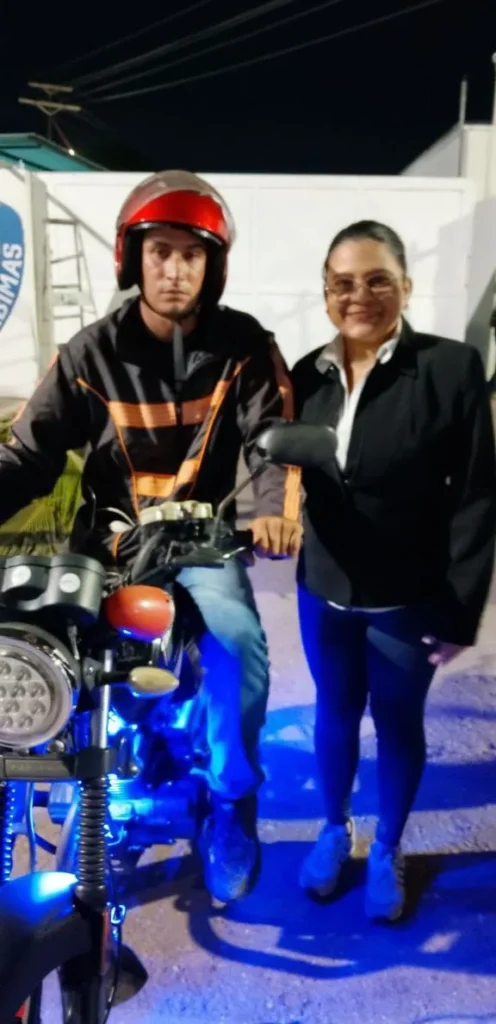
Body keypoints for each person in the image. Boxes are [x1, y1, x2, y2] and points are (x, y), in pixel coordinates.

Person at [0, 170, 302, 903]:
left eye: (191, 255)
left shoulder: (243, 346)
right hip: (109, 546)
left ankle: (232, 800)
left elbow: (274, 442)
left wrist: (275, 510)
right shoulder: (90, 353)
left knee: (237, 643)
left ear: (213, 265)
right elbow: (30, 454)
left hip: (202, 542)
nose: (174, 270)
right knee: (38, 646)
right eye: (160, 251)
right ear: (131, 257)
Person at [291, 220, 496, 922]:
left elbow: (477, 494)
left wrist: (460, 608)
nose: (360, 296)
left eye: (378, 280)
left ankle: (386, 847)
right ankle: (332, 830)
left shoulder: (450, 368)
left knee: (398, 721)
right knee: (334, 713)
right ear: (326, 292)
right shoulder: (305, 375)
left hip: (407, 596)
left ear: (406, 287)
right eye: (343, 283)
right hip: (324, 587)